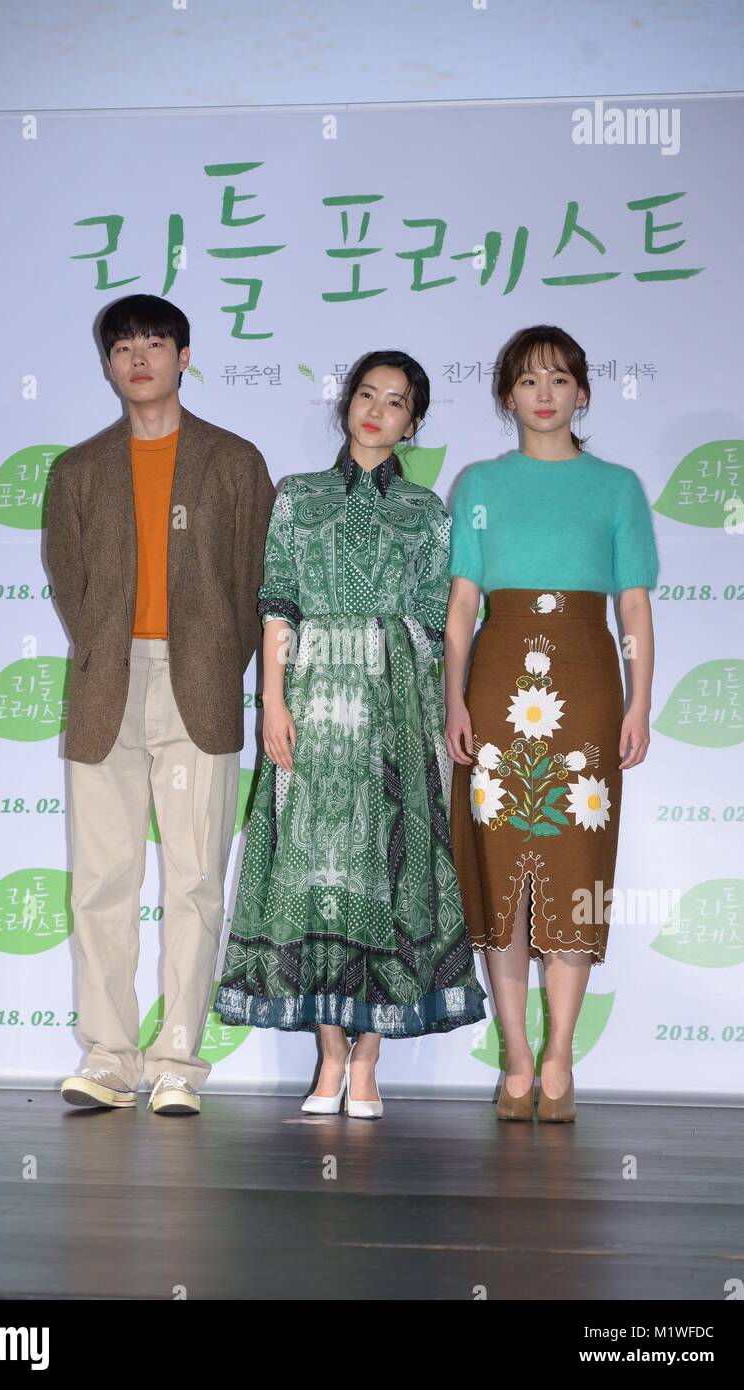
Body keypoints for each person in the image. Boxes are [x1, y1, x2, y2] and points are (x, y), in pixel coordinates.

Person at [213, 350, 487, 1119]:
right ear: (347, 404)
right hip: (309, 696)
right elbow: (278, 603)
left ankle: (368, 1064)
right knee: (318, 875)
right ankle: (329, 1059)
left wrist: (440, 713)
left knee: (389, 870)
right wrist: (271, 699)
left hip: (397, 700)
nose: (376, 410)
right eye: (366, 394)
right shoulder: (297, 497)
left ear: (415, 421)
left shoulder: (429, 510)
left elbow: (443, 624)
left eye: (395, 401)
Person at [46, 293, 276, 1116]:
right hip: (107, 686)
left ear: (185, 355)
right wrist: (116, 652)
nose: (139, 359)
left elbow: (260, 582)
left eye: (155, 343)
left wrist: (215, 656)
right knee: (101, 880)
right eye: (123, 348)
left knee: (196, 880)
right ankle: (108, 1057)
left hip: (202, 685)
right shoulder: (77, 468)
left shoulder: (235, 461)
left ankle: (178, 1061)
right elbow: (69, 586)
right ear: (108, 365)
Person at [445, 325, 658, 1123]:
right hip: (498, 679)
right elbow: (462, 604)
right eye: (529, 380)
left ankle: (562, 1055)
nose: (544, 393)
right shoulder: (478, 485)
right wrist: (454, 697)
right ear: (507, 395)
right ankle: (515, 1055)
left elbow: (633, 603)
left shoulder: (617, 488)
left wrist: (639, 699)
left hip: (587, 678)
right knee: (501, 873)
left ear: (582, 393)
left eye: (560, 379)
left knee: (574, 868)